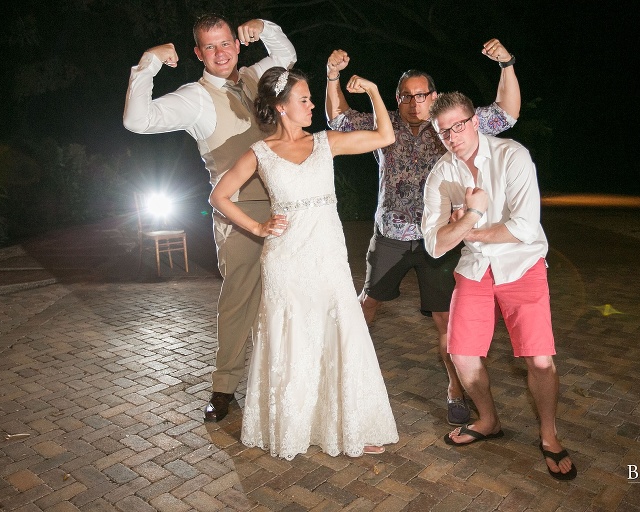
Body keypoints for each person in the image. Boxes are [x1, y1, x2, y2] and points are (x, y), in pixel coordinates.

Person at [325, 40, 520, 427]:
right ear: (397, 99)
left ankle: (455, 390)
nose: (415, 102)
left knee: (446, 319)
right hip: (391, 235)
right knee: (367, 304)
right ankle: (342, 377)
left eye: (422, 94)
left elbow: (506, 114)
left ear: (435, 96)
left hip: (440, 238)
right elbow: (339, 120)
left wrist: (507, 65)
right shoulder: (387, 123)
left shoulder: (449, 125)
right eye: (407, 96)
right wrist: (332, 77)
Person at [209, 67, 399, 460]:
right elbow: (219, 196)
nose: (313, 105)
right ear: (281, 107)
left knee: (338, 334)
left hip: (327, 256)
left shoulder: (326, 142)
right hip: (286, 262)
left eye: (311, 98)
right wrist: (258, 228)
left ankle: (350, 425)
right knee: (292, 338)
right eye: (305, 99)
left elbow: (385, 136)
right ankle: (292, 426)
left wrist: (376, 90)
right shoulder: (260, 153)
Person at [123, 14, 297, 422]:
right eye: (210, 47)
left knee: (290, 296)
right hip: (240, 213)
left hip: (289, 204)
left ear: (238, 45)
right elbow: (137, 120)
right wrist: (148, 64)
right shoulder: (194, 98)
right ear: (199, 53)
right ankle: (224, 388)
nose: (220, 53)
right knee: (239, 299)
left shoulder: (257, 75)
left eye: (226, 43)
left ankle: (283, 378)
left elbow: (286, 54)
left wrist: (265, 26)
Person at [421, 91, 577, 481]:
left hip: (522, 265)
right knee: (461, 354)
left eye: (458, 126)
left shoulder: (513, 156)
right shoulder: (441, 174)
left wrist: (466, 228)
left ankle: (548, 434)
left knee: (539, 359)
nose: (452, 136)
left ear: (474, 121)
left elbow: (525, 227)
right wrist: (473, 213)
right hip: (475, 269)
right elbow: (435, 244)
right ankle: (488, 420)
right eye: (443, 132)